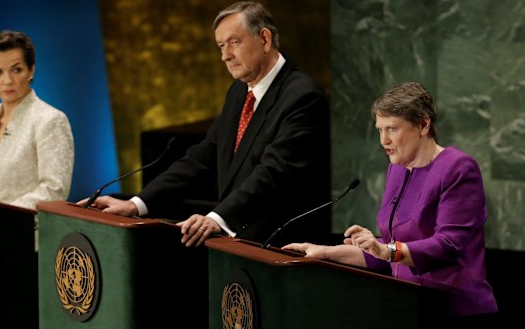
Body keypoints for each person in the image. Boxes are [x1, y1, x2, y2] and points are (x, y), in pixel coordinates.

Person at [78, 1, 332, 248]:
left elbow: (273, 173)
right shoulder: (238, 92)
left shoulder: (302, 97)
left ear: (265, 39)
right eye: (220, 46)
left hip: (284, 250)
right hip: (240, 248)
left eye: (234, 43)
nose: (225, 56)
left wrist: (216, 219)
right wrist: (136, 204)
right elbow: (203, 157)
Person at [282, 82, 498, 325]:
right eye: (379, 129)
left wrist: (386, 251)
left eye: (392, 129)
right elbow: (387, 252)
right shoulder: (396, 169)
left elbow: (447, 244)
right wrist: (325, 252)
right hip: (405, 307)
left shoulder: (458, 168)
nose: (383, 140)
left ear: (423, 125)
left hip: (453, 311)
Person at [0, 30, 74, 210]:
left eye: (16, 70)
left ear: (31, 70)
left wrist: (2, 216)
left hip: (28, 231)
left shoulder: (51, 120)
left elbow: (54, 190)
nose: (7, 80)